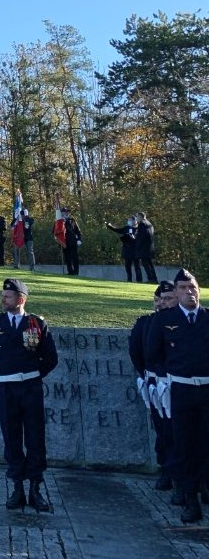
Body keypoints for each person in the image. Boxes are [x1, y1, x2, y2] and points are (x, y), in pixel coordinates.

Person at [0, 278, 59, 512]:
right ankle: (17, 488)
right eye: (2, 295)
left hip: (31, 388)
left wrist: (32, 375)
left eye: (8, 296)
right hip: (7, 389)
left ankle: (35, 488)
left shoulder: (36, 323)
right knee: (11, 437)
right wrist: (7, 374)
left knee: (35, 437)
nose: (3, 299)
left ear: (21, 299)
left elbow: (50, 357)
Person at [146, 269, 209, 523]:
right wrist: (169, 378)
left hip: (207, 388)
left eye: (192, 287)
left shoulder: (207, 318)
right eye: (183, 288)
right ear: (177, 292)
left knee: (206, 443)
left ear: (199, 290)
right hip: (180, 389)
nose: (189, 292)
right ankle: (189, 498)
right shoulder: (164, 320)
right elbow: (153, 353)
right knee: (184, 444)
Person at [129, 281, 176, 492]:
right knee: (163, 432)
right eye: (158, 300)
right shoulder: (145, 323)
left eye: (166, 299)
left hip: (184, 384)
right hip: (157, 385)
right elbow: (137, 354)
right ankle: (167, 471)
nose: (161, 304)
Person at [106, 216, 140, 282]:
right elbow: (118, 230)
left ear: (135, 221)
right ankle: (129, 279)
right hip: (127, 249)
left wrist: (133, 238)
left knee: (137, 266)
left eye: (130, 220)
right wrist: (110, 226)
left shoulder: (138, 228)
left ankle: (139, 280)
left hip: (135, 250)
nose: (129, 222)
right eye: (128, 220)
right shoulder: (126, 228)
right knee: (127, 265)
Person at [136, 212, 158, 283]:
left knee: (146, 265)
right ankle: (154, 279)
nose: (136, 219)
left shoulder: (142, 224)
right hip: (150, 247)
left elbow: (142, 237)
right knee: (150, 264)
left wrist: (137, 244)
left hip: (144, 248)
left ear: (140, 217)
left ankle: (150, 279)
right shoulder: (149, 224)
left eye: (137, 217)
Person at [62, 208, 82, 275]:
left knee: (75, 257)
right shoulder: (59, 221)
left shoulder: (72, 220)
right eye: (65, 212)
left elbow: (78, 231)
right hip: (65, 241)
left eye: (68, 212)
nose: (67, 213)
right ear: (62, 213)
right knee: (67, 257)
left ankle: (76, 272)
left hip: (73, 241)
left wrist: (79, 239)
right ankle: (70, 271)